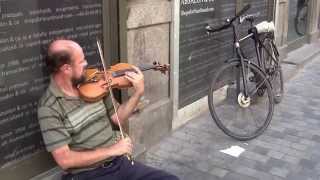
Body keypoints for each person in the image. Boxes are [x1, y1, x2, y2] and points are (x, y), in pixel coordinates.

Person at [37, 39, 179, 180]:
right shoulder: (49, 107)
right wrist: (113, 150)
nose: (86, 64)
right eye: (81, 62)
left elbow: (118, 117)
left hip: (119, 164)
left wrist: (138, 93)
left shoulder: (96, 84)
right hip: (88, 174)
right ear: (66, 68)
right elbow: (65, 160)